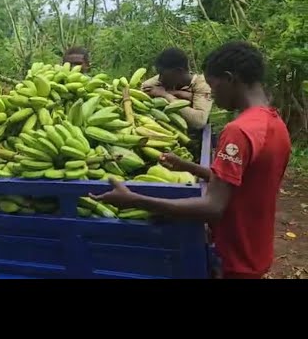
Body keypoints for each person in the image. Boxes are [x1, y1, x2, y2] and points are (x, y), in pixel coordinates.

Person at [91, 41, 291, 279]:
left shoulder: (238, 131)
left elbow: (213, 207)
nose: (212, 95)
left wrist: (134, 200)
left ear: (230, 79)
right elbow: (242, 182)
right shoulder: (275, 123)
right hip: (255, 248)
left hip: (234, 257)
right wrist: (188, 166)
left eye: (214, 86)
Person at [141, 47, 212, 130]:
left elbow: (199, 121)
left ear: (178, 71)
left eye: (162, 74)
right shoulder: (164, 79)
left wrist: (167, 95)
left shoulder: (201, 84)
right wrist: (187, 96)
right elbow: (143, 90)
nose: (159, 79)